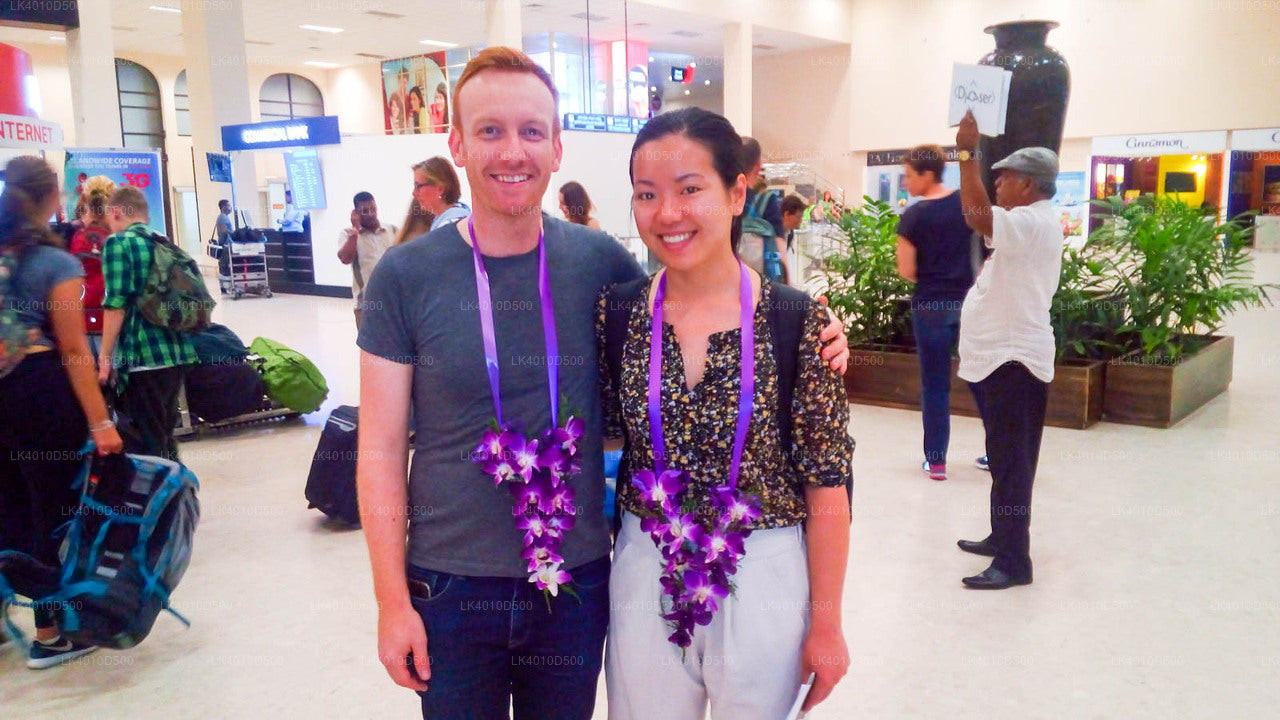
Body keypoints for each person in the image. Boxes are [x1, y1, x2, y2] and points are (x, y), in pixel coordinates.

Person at [354, 45, 855, 720]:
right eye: (490, 131)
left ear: (557, 147)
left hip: (580, 579)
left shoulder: (599, 266)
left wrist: (817, 330)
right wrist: (391, 602)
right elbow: (380, 449)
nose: (512, 152)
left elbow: (703, 316)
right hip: (450, 586)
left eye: (532, 131)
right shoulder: (405, 278)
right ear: (458, 144)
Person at [599, 106, 852, 720]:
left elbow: (827, 487)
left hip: (762, 566)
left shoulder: (798, 324)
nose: (668, 214)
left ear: (737, 192)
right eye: (646, 194)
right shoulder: (618, 314)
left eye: (691, 190)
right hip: (646, 560)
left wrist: (828, 627)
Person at [0, 156, 124, 669]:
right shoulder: (55, 265)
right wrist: (100, 422)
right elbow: (74, 352)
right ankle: (50, 634)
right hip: (41, 396)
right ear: (53, 198)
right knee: (54, 512)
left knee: (8, 506)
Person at [953, 110, 1063, 590]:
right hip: (1001, 361)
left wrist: (966, 154)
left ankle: (1015, 562)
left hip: (1014, 362)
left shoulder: (1032, 222)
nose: (996, 184)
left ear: (1030, 184)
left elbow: (977, 216)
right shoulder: (1028, 222)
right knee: (1002, 456)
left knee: (1013, 463)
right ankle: (1003, 537)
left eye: (1005, 177)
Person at [97, 185, 197, 462]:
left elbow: (116, 304)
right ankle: (176, 496)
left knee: (145, 445)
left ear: (116, 212)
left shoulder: (119, 244)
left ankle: (155, 499)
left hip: (143, 358)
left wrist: (105, 358)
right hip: (175, 355)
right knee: (164, 436)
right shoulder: (164, 242)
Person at [895, 144, 977, 481]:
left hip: (930, 305)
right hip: (970, 303)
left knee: (935, 385)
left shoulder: (913, 216)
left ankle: (937, 460)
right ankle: (999, 453)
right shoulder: (967, 205)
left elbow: (905, 269)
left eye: (910, 175)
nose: (905, 182)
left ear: (927, 174)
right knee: (981, 378)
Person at [337, 191, 396, 330]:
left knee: (396, 347)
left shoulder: (392, 230)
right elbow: (345, 258)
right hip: (366, 304)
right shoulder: (348, 234)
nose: (370, 213)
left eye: (373, 209)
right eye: (364, 211)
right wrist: (355, 232)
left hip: (394, 301)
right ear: (355, 213)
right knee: (370, 349)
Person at [69, 176, 117, 335]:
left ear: (83, 198)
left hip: (76, 321)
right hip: (113, 321)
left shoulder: (67, 233)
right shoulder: (119, 237)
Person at [739, 137, 788, 281]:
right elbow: (779, 249)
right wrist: (786, 289)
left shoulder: (721, 200)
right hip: (760, 286)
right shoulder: (766, 201)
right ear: (758, 166)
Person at [411, 156, 470, 232]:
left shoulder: (451, 225)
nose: (414, 193)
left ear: (440, 188)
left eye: (418, 186)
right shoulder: (445, 220)